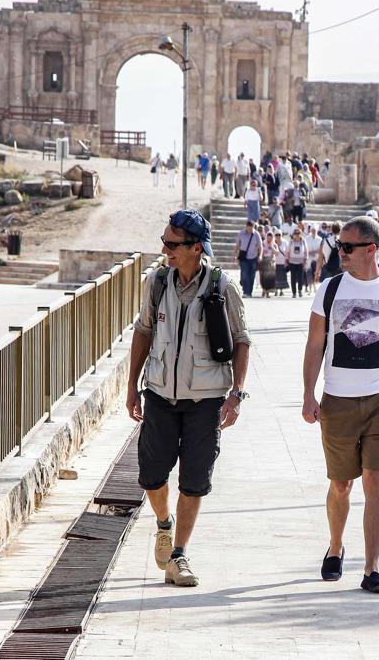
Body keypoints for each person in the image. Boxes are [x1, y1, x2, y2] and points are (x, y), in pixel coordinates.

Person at [302, 216, 379, 594]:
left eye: (346, 246)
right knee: (341, 484)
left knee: (376, 481)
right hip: (338, 400)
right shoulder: (329, 289)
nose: (339, 252)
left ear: (371, 249)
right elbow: (314, 345)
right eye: (339, 245)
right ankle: (336, 546)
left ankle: (372, 568)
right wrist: (309, 393)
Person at [126, 210, 251, 587]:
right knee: (151, 475)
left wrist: (236, 395)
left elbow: (241, 339)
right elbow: (144, 330)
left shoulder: (222, 286)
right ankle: (164, 523)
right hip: (161, 393)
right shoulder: (158, 281)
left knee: (194, 480)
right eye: (164, 242)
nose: (165, 250)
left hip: (207, 399)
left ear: (196, 248)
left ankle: (179, 555)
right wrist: (132, 385)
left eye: (172, 244)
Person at [234, 220, 262, 298]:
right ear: (246, 226)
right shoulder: (241, 233)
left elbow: (260, 247)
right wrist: (235, 255)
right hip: (244, 258)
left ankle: (249, 292)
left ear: (253, 227)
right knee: (245, 275)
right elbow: (237, 245)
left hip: (253, 258)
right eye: (248, 228)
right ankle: (245, 291)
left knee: (252, 276)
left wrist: (260, 256)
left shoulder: (256, 234)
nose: (250, 230)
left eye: (251, 228)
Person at [286, 228, 309, 298]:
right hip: (292, 262)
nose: (297, 235)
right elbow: (287, 251)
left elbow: (306, 251)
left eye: (298, 233)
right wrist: (286, 260)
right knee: (293, 278)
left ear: (300, 234)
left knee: (300, 277)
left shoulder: (303, 242)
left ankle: (299, 290)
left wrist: (305, 261)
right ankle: (294, 292)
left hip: (300, 262)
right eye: (295, 234)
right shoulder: (291, 242)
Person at [259, 232, 278, 298]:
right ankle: (264, 290)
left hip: (270, 263)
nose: (269, 238)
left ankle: (268, 292)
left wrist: (271, 247)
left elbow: (277, 253)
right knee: (263, 278)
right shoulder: (263, 244)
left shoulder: (274, 245)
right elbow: (259, 251)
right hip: (263, 262)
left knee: (269, 279)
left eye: (271, 237)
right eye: (268, 237)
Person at [273, 230, 289, 297]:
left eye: (279, 235)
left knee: (282, 277)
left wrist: (287, 261)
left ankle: (281, 290)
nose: (278, 236)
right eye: (276, 235)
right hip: (275, 262)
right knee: (275, 277)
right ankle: (275, 290)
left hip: (283, 262)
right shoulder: (273, 243)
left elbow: (287, 252)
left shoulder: (285, 242)